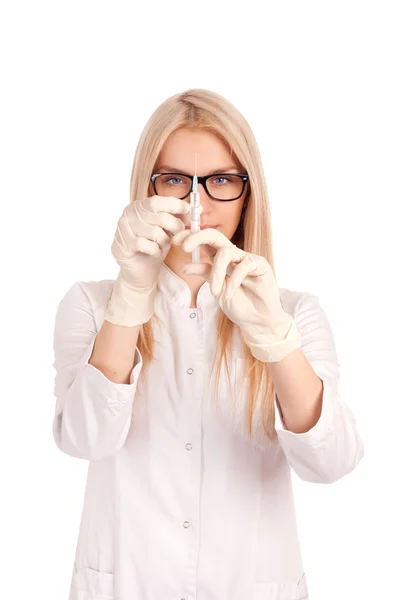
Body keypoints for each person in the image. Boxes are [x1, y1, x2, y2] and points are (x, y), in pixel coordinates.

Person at [52, 88, 364, 600]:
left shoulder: (294, 312)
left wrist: (276, 339)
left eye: (220, 180)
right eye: (174, 180)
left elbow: (330, 463)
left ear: (247, 194)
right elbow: (86, 439)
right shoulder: (91, 305)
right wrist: (131, 295)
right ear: (146, 187)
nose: (196, 205)